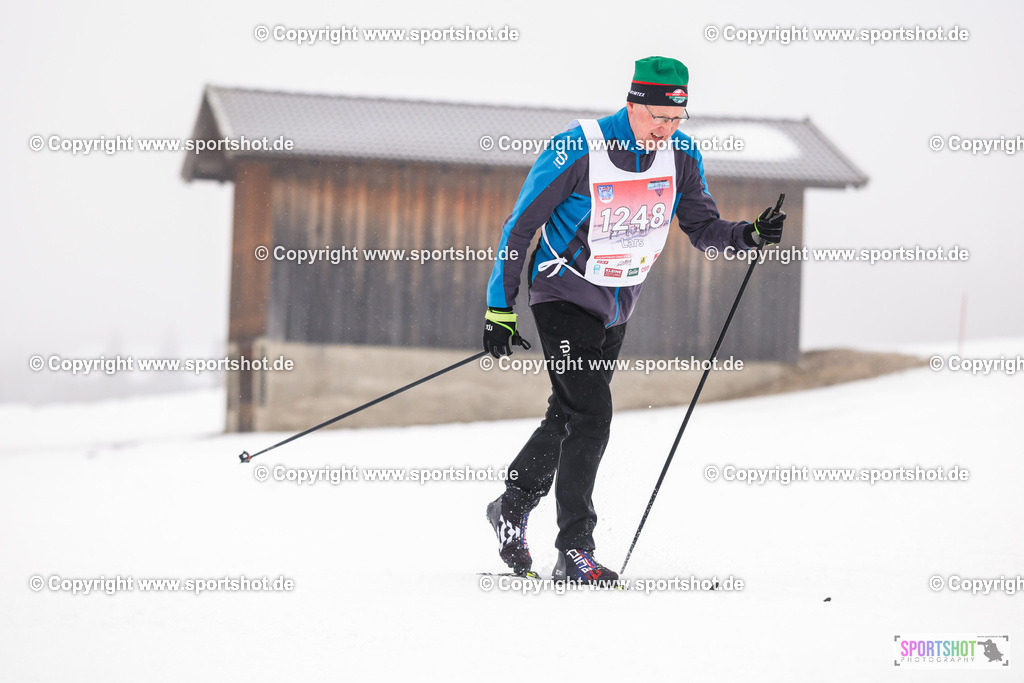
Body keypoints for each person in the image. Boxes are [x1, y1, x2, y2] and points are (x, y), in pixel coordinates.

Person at [482, 56, 785, 583]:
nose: (665, 130)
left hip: (617, 305)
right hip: (560, 292)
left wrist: (748, 235)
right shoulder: (577, 147)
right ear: (632, 104)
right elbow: (520, 225)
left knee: (569, 415)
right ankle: (575, 549)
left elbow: (702, 226)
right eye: (656, 119)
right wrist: (499, 308)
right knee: (593, 415)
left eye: (676, 119)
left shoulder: (682, 156)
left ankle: (511, 505)